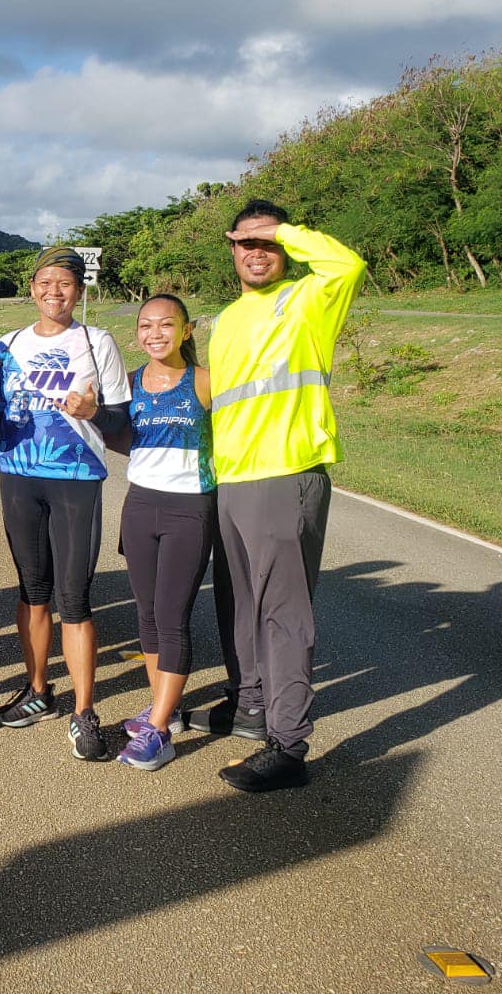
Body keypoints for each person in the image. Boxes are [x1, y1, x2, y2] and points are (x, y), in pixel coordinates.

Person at [203, 199, 366, 792]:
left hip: (286, 473)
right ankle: (252, 706)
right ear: (231, 250)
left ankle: (288, 745)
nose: (257, 251)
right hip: (233, 480)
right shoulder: (225, 320)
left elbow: (346, 264)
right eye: (245, 242)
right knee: (241, 607)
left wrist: (285, 231)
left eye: (268, 242)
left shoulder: (307, 300)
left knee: (282, 616)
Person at [0, 246, 131, 761]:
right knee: (33, 590)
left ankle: (85, 712)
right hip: (19, 477)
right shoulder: (10, 344)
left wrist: (94, 414)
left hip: (76, 478)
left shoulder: (97, 342)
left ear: (79, 291)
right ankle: (39, 690)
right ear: (32, 288)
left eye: (64, 284)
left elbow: (121, 421)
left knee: (75, 597)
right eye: (45, 282)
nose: (54, 292)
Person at [113, 295, 215, 772]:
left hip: (189, 508)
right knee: (147, 614)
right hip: (140, 504)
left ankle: (158, 731)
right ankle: (164, 709)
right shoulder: (130, 382)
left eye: (166, 325)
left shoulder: (206, 381)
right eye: (146, 326)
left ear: (186, 330)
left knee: (172, 617)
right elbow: (118, 436)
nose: (155, 334)